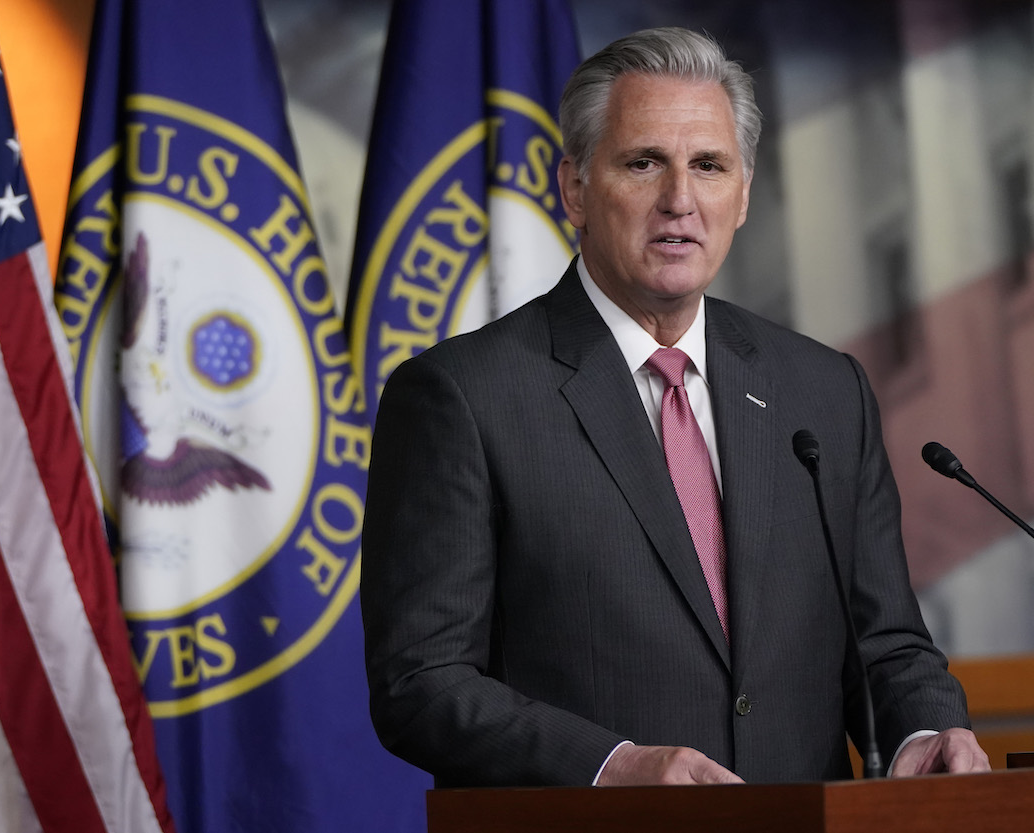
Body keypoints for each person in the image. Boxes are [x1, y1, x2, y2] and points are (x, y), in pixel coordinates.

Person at [359, 27, 990, 787]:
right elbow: (420, 682)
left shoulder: (825, 391)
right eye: (643, 162)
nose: (680, 200)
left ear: (745, 193)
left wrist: (925, 726)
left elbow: (885, 642)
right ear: (575, 188)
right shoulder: (464, 395)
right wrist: (612, 765)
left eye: (709, 166)